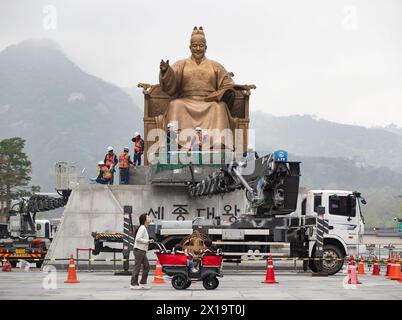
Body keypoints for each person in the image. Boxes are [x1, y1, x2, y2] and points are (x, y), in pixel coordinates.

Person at [157, 26, 238, 139]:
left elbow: (227, 83)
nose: (198, 49)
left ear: (206, 47)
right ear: (190, 47)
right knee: (175, 105)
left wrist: (223, 92)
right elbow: (171, 82)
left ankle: (218, 142)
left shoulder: (215, 66)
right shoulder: (181, 64)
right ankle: (175, 141)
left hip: (209, 101)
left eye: (201, 46)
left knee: (220, 107)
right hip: (185, 100)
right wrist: (166, 71)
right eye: (195, 46)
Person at [130, 213, 154, 290]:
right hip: (139, 250)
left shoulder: (144, 228)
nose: (149, 218)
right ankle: (133, 284)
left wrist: (148, 241)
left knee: (147, 266)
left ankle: (143, 283)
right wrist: (148, 241)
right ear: (145, 220)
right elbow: (138, 239)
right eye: (148, 217)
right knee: (137, 267)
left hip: (141, 250)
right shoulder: (142, 228)